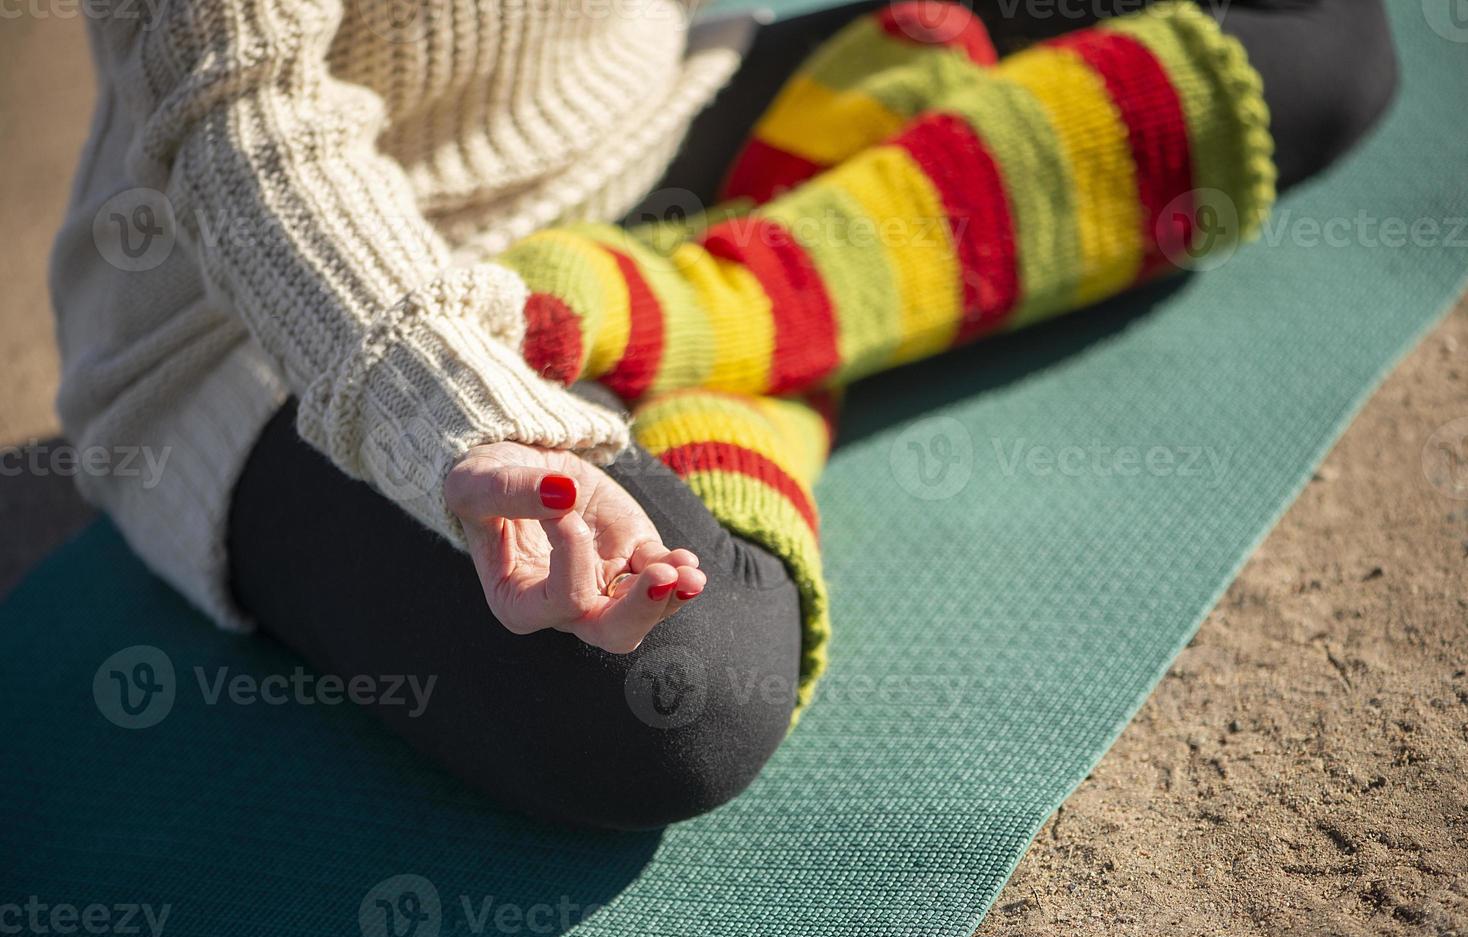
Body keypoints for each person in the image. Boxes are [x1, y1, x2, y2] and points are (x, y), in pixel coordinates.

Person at [52, 0, 1396, 828]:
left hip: (661, 126)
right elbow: (241, 123)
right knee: (675, 697)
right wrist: (466, 414)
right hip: (293, 323)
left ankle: (687, 306)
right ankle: (796, 269)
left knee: (1315, 44)